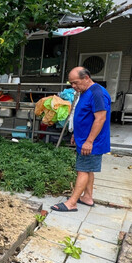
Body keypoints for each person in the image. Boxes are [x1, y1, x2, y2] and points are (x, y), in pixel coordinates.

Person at [52, 66, 111, 212]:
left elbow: (100, 118)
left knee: (82, 170)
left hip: (92, 142)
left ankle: (72, 203)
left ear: (86, 78)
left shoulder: (97, 93)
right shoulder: (84, 91)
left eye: (75, 82)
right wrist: (75, 134)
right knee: (88, 169)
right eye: (71, 83)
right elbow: (84, 116)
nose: (73, 86)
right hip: (84, 139)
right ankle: (87, 197)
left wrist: (89, 141)